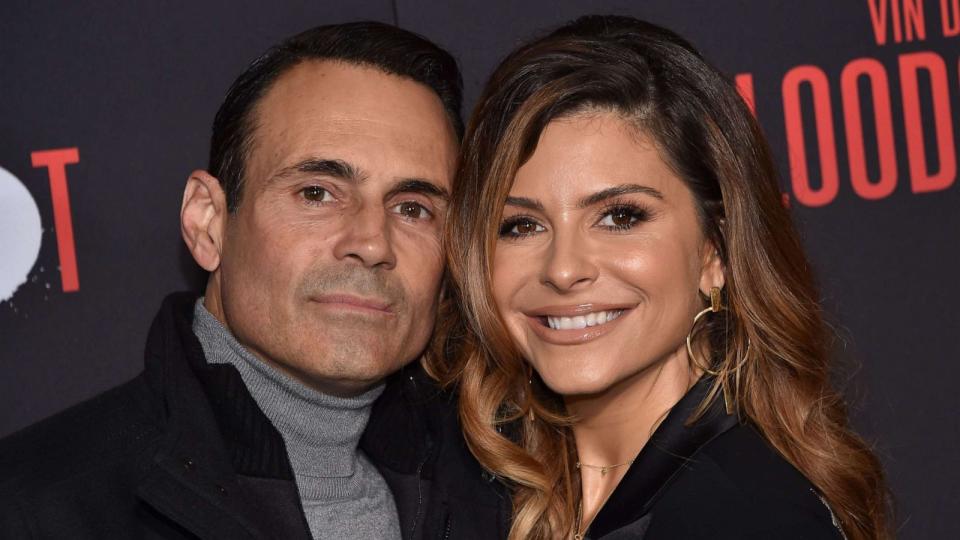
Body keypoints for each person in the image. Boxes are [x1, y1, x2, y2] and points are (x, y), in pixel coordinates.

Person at [0, 22, 506, 539]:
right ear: (208, 222)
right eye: (317, 193)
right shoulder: (34, 508)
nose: (373, 243)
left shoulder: (508, 492)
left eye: (413, 208)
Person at [433, 15, 892, 540]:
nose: (562, 269)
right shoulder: (489, 489)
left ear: (713, 250)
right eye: (521, 225)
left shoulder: (749, 516)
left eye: (620, 217)